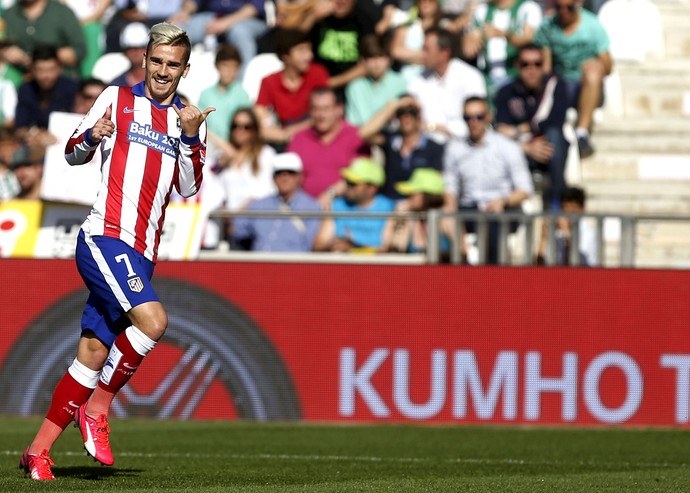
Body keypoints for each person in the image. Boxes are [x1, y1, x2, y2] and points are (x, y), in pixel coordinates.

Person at [19, 22, 214, 481]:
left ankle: (37, 452)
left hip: (143, 250)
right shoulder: (116, 99)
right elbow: (70, 153)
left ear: (185, 69)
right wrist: (92, 136)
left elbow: (189, 188)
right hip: (104, 236)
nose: (163, 71)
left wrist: (190, 137)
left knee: (91, 350)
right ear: (144, 59)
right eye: (158, 61)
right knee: (154, 321)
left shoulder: (188, 118)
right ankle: (98, 410)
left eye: (174, 64)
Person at [443, 96, 533, 264]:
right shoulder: (455, 148)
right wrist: (450, 207)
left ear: (488, 116)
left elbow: (525, 190)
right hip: (470, 208)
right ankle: (464, 263)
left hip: (504, 207)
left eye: (479, 117)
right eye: (468, 117)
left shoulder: (508, 147)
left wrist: (503, 201)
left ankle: (491, 279)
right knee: (442, 217)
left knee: (491, 222)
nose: (473, 122)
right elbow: (450, 186)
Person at [533, 0, 612, 158]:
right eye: (559, 7)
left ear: (578, 5)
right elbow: (546, 67)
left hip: (585, 84)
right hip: (560, 83)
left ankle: (582, 133)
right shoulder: (548, 26)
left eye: (568, 7)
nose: (563, 11)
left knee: (593, 72)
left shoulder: (592, 26)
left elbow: (608, 66)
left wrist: (595, 63)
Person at [494, 43, 569, 211]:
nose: (532, 69)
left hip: (548, 149)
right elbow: (500, 131)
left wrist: (519, 130)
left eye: (537, 64)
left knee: (554, 136)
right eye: (525, 64)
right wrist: (526, 147)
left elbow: (554, 121)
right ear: (517, 66)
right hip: (519, 151)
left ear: (544, 65)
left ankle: (558, 203)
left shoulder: (555, 85)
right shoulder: (506, 92)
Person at [286, 87, 371, 208]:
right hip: (305, 209)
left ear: (339, 109)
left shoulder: (355, 136)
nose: (321, 115)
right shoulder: (299, 139)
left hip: (346, 207)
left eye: (326, 109)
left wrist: (330, 194)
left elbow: (361, 178)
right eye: (316, 109)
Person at [407, 27, 486, 143]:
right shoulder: (419, 79)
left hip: (464, 144)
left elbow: (477, 121)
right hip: (426, 146)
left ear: (445, 53)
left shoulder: (470, 77)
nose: (422, 54)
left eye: (426, 50)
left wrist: (435, 128)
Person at [359, 94, 445, 200]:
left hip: (418, 210)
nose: (406, 117)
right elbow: (364, 133)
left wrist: (411, 206)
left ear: (419, 115)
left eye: (412, 112)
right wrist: (392, 108)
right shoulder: (391, 140)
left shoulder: (434, 148)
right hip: (390, 205)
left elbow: (435, 187)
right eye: (401, 112)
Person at [232, 152, 322, 252]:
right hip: (258, 264)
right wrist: (238, 213)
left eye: (290, 173)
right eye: (279, 173)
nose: (284, 178)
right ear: (273, 177)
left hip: (294, 265)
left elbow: (313, 245)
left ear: (299, 177)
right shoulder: (259, 205)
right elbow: (238, 232)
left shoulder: (312, 207)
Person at [254, 28, 329, 147]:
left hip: (314, 138)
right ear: (286, 56)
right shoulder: (269, 81)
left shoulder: (317, 74)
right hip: (283, 139)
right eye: (301, 51)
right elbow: (261, 119)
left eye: (309, 50)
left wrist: (288, 133)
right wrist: (284, 134)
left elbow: (322, 115)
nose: (309, 56)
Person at [314, 157, 395, 252]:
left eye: (353, 182)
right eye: (347, 181)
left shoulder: (389, 208)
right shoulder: (336, 205)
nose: (347, 185)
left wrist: (354, 248)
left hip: (374, 266)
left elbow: (387, 249)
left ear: (372, 188)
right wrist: (334, 245)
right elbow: (319, 245)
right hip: (341, 265)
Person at [462, 0, 542, 95]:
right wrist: (470, 40)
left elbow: (528, 39)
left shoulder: (528, 8)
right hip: (487, 78)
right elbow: (468, 43)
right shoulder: (481, 10)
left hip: (516, 77)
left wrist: (503, 34)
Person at [177, 0, 268, 79]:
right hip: (213, 16)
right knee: (177, 31)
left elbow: (255, 7)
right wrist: (184, 12)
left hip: (246, 19)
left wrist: (225, 23)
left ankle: (239, 88)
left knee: (239, 32)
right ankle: (171, 84)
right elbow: (194, 2)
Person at [1, 0, 87, 80]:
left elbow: (79, 50)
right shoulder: (9, 15)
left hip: (60, 79)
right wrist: (6, 53)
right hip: (22, 79)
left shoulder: (62, 12)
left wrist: (41, 58)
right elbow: (3, 45)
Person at [15, 46, 79, 148]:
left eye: (51, 69)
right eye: (40, 70)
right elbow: (20, 129)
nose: (46, 76)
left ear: (60, 68)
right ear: (32, 69)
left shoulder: (71, 88)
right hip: (34, 144)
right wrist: (35, 136)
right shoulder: (25, 89)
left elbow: (78, 122)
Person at [215, 107, 276, 214]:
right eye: (235, 126)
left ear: (255, 130)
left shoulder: (266, 154)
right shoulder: (222, 156)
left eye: (246, 127)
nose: (240, 131)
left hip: (256, 217)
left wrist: (241, 212)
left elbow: (267, 190)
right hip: (227, 220)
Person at [344, 34, 407, 127]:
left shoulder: (401, 83)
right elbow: (355, 123)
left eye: (381, 57)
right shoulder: (354, 86)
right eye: (371, 58)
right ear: (363, 61)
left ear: (389, 59)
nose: (377, 63)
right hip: (363, 137)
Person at [381, 167, 447, 254]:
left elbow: (461, 255)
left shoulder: (446, 219)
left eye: (413, 193)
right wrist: (397, 221)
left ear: (426, 195)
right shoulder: (407, 217)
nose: (408, 197)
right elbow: (390, 249)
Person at [198, 43, 251, 143]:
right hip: (209, 145)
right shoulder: (206, 94)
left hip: (236, 145)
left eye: (234, 67)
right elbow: (201, 127)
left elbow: (245, 128)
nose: (229, 71)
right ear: (217, 66)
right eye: (225, 66)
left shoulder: (242, 95)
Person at [536, 185, 597, 265]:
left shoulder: (589, 234)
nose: (568, 212)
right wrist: (544, 238)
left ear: (583, 210)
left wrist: (566, 234)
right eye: (565, 207)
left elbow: (579, 261)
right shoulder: (557, 233)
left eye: (573, 209)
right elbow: (539, 265)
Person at [110, 22, 150, 86]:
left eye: (141, 47)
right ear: (124, 52)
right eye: (131, 48)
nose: (136, 51)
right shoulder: (116, 85)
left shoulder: (162, 80)